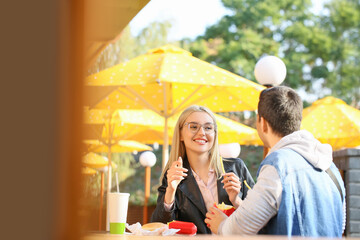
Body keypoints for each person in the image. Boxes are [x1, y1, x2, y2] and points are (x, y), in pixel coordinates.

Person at [205, 86, 346, 237]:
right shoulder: (330, 168)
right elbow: (340, 225)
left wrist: (221, 225)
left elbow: (240, 229)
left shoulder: (278, 165)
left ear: (263, 123)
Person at [150, 105, 255, 234]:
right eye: (193, 127)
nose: (201, 133)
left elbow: (260, 217)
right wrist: (170, 192)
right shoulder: (173, 177)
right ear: (181, 134)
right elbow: (158, 228)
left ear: (215, 134)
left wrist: (236, 201)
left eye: (208, 128)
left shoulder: (236, 168)